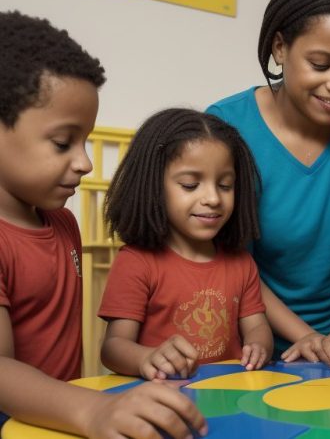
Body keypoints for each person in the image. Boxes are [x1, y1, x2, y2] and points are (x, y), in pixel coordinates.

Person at [0, 11, 206, 438]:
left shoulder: (64, 223)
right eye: (63, 143)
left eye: (86, 141)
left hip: (56, 424)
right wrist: (93, 410)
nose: (85, 162)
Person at [206, 0, 330, 369]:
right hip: (257, 344)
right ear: (280, 48)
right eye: (321, 64)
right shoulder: (227, 126)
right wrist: (306, 337)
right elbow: (234, 264)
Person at [99, 109, 272, 380]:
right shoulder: (136, 262)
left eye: (225, 185)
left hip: (227, 397)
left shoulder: (241, 263)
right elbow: (113, 347)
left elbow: (257, 327)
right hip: (163, 402)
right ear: (153, 186)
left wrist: (260, 346)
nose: (213, 198)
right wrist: (146, 358)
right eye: (191, 185)